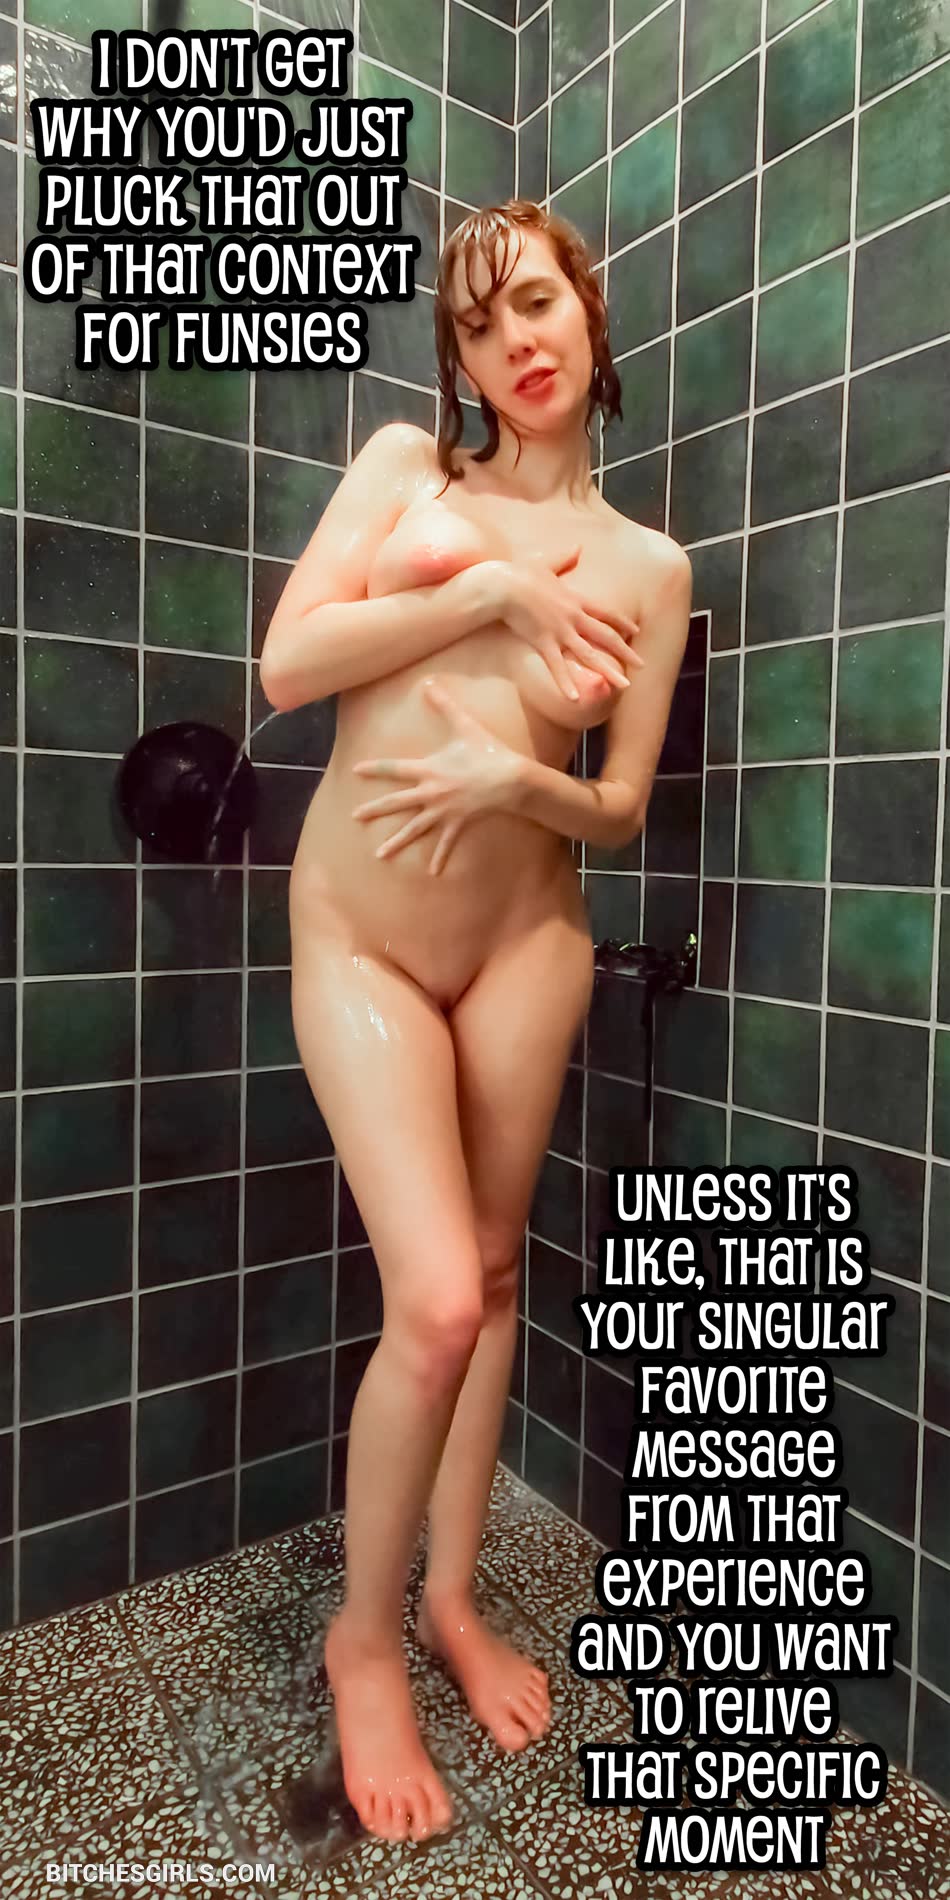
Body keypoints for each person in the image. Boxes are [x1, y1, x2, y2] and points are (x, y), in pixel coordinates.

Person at [259, 200, 693, 1847]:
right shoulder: (406, 474)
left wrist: (517, 781)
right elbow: (291, 664)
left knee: (494, 1278)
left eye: (536, 302)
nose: (515, 338)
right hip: (361, 939)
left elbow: (620, 809)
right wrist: (496, 596)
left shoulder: (650, 569)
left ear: (587, 313)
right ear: (454, 359)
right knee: (435, 1300)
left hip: (526, 942)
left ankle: (446, 1599)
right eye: (478, 321)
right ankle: (361, 1641)